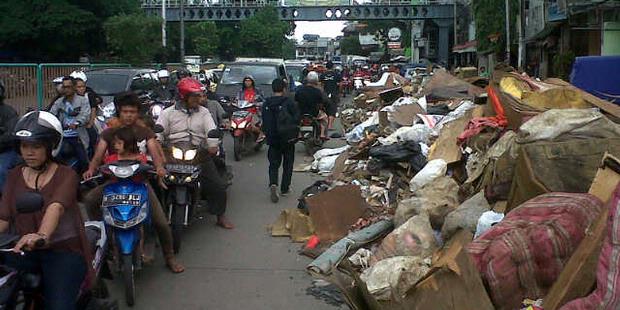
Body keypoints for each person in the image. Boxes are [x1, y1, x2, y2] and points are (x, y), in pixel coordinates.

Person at [82, 91, 184, 273]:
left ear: (137, 113)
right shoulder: (109, 132)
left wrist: (159, 168)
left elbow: (154, 151)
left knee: (160, 222)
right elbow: (98, 154)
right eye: (125, 111)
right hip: (113, 184)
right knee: (90, 200)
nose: (129, 115)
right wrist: (91, 169)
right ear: (119, 112)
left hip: (139, 184)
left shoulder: (144, 132)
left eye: (133, 111)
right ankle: (103, 235)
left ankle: (169, 257)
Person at [0, 111, 91, 310]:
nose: (29, 152)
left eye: (36, 146)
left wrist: (41, 235)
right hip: (21, 248)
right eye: (25, 146)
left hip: (61, 250)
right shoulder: (14, 174)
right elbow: (4, 217)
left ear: (51, 146)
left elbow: (55, 207)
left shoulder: (66, 174)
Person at [157, 78, 233, 229]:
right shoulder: (168, 113)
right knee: (154, 184)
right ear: (183, 97)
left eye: (199, 96)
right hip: (172, 153)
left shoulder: (204, 112)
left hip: (198, 153)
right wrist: (157, 141)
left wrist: (213, 145)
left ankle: (220, 216)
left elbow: (211, 129)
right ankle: (155, 218)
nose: (198, 99)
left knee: (217, 186)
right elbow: (159, 129)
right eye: (194, 96)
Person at [262, 78, 300, 203]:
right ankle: (285, 188)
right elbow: (296, 118)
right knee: (288, 164)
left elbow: (264, 121)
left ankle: (273, 183)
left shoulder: (266, 103)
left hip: (273, 139)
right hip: (287, 139)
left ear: (273, 89)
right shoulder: (289, 102)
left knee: (273, 164)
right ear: (284, 89)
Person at [49, 76, 91, 173]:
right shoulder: (59, 102)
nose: (66, 89)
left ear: (74, 87)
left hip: (77, 136)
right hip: (62, 136)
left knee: (83, 160)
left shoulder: (82, 100)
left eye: (69, 87)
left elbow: (85, 115)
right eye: (64, 87)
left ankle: (86, 178)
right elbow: (51, 114)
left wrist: (77, 123)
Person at [71, 71, 102, 158]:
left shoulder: (89, 95)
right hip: (73, 125)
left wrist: (90, 123)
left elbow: (93, 109)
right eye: (78, 87)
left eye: (83, 86)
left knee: (93, 140)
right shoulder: (68, 97)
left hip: (86, 123)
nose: (81, 89)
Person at [295, 71, 328, 139]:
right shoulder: (318, 92)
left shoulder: (299, 90)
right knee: (324, 118)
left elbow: (296, 102)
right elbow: (320, 104)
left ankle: (299, 134)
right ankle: (322, 134)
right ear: (316, 80)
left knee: (296, 122)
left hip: (301, 113)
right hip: (314, 114)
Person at [0, 80, 20, 192]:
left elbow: (11, 134)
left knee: (1, 170)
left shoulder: (8, 112)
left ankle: (7, 199)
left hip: (6, 150)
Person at [236, 75, 266, 142]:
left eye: (249, 81)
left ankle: (261, 133)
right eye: (246, 81)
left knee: (251, 125)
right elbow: (237, 100)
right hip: (242, 113)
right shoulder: (241, 92)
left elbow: (263, 101)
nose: (247, 82)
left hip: (254, 112)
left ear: (252, 82)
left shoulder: (257, 91)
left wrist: (256, 104)